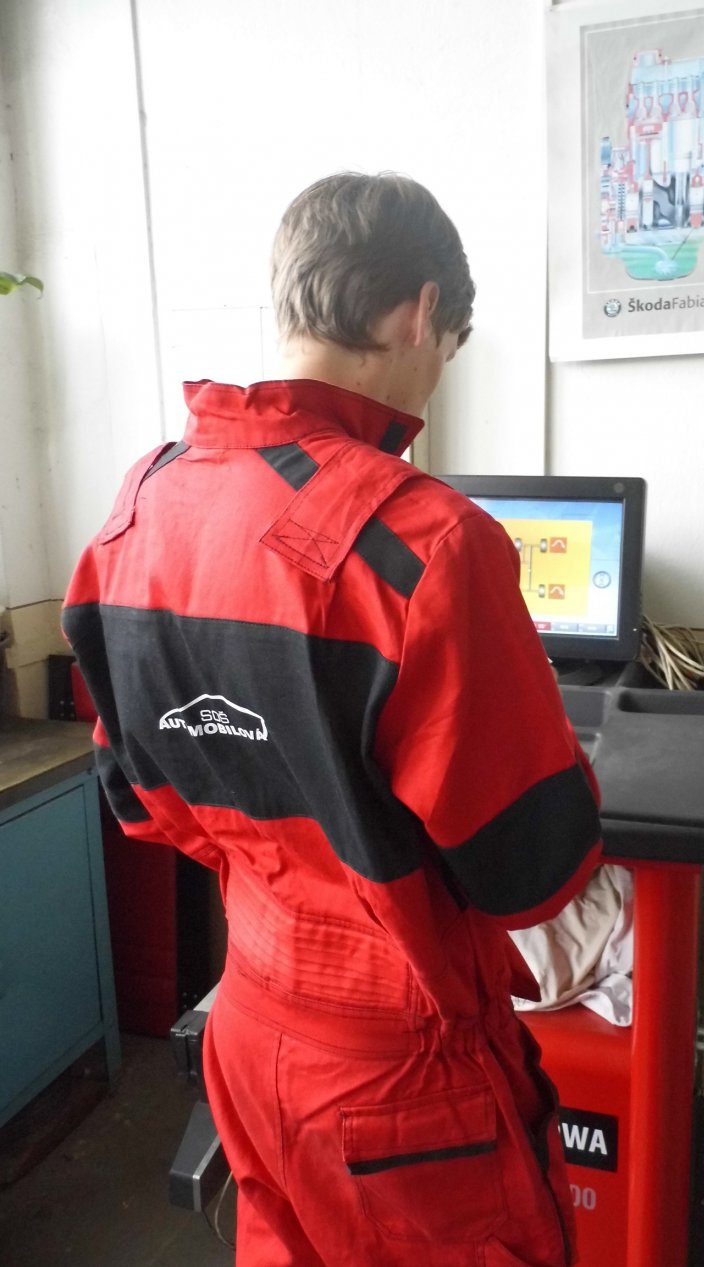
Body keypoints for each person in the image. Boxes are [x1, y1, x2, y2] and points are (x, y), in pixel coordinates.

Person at [63, 172, 603, 1267]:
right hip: (407, 1088)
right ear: (419, 313)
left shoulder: (140, 504)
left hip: (250, 1032)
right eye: (446, 348)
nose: (436, 374)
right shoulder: (430, 542)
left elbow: (138, 797)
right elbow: (529, 871)